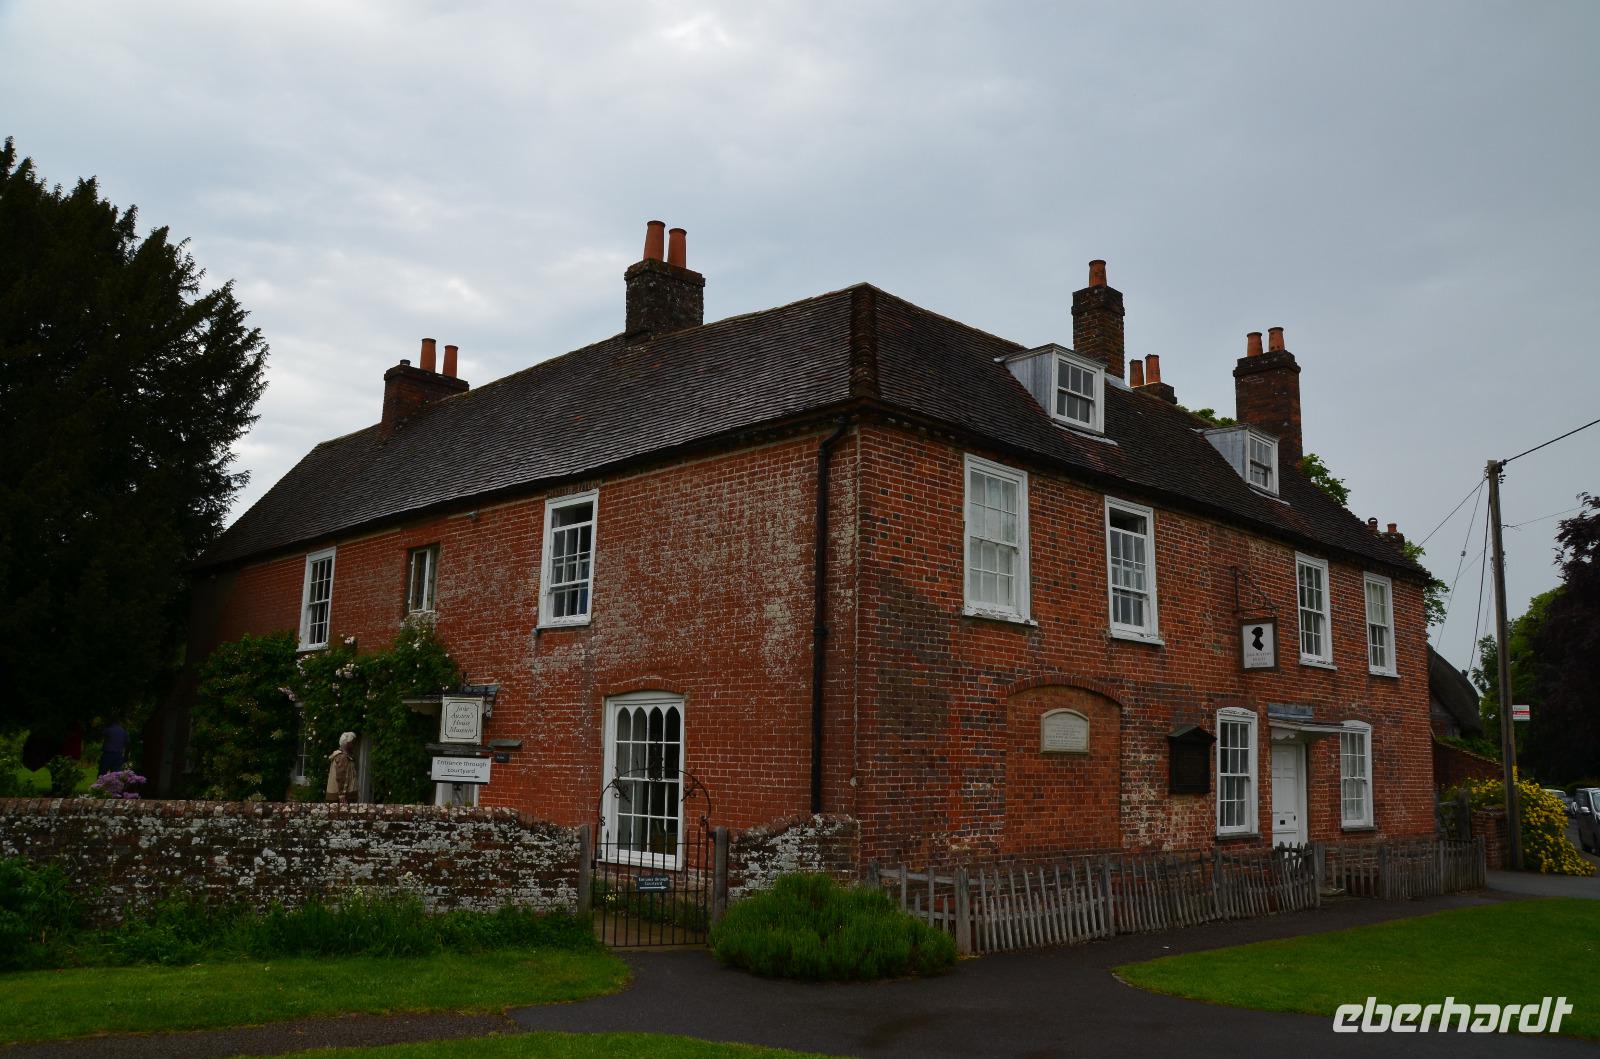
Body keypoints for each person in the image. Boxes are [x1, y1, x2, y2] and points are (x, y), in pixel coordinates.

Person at [326, 732, 359, 804]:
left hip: (342, 797)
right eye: (352, 743)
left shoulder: (343, 756)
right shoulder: (342, 757)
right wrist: (341, 794)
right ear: (347, 743)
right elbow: (341, 776)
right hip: (344, 798)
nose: (354, 745)